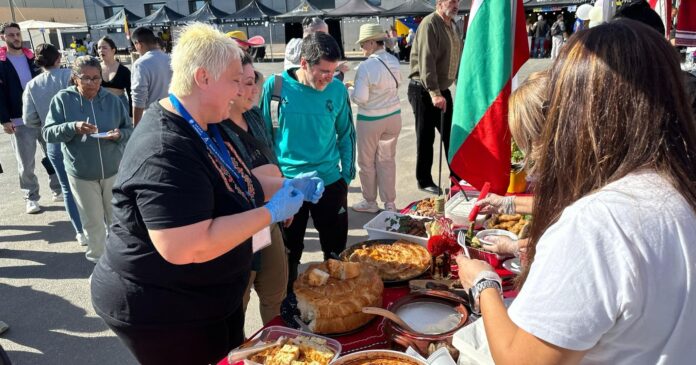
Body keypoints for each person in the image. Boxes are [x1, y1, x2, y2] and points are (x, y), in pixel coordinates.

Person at [456, 20, 696, 364]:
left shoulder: (598, 223)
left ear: (581, 112)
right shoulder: (677, 188)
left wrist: (483, 284)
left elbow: (519, 361)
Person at [89, 23, 318, 365]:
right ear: (203, 78)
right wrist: (268, 213)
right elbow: (186, 246)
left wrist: (287, 186)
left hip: (209, 297)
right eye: (233, 80)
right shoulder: (165, 148)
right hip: (164, 307)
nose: (241, 90)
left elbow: (238, 180)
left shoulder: (209, 123)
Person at [260, 32, 356, 294]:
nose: (329, 77)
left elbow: (346, 133)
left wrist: (345, 179)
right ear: (303, 63)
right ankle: (289, 303)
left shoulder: (336, 90)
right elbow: (264, 137)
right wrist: (274, 183)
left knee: (335, 252)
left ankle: (337, 299)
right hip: (288, 185)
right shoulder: (276, 87)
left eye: (333, 71)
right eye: (323, 71)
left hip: (329, 183)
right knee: (289, 254)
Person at [219, 54, 296, 325]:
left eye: (255, 81)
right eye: (248, 82)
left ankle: (277, 345)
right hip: (241, 228)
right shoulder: (213, 128)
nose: (255, 89)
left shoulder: (253, 115)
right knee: (237, 302)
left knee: (276, 291)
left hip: (269, 220)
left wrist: (285, 195)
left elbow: (270, 156)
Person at [43, 56, 133, 263]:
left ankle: (122, 264)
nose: (92, 83)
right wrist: (71, 127)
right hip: (82, 172)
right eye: (86, 78)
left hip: (113, 170)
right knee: (92, 222)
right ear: (75, 78)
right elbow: (48, 132)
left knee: (118, 221)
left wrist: (119, 135)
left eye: (96, 78)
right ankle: (98, 265)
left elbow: (129, 129)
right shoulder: (63, 99)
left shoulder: (112, 100)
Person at [22, 44, 86, 245]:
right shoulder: (70, 75)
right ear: (58, 58)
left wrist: (44, 123)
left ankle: (80, 232)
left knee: (66, 188)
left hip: (53, 140)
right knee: (90, 184)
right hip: (79, 137)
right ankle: (97, 225)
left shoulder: (32, 85)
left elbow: (28, 119)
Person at [1, 22, 61, 214]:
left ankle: (58, 188)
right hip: (19, 120)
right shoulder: (1, 62)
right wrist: (4, 119)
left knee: (52, 155)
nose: (16, 38)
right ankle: (31, 197)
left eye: (17, 34)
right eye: (11, 35)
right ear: (3, 38)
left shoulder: (33, 58)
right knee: (26, 163)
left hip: (45, 117)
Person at [408, 0, 463, 195]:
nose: (456, 4)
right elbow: (427, 61)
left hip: (441, 89)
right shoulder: (430, 23)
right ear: (440, 2)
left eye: (458, 1)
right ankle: (424, 180)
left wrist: (462, 86)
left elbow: (457, 58)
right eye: (452, 0)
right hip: (424, 89)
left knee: (451, 136)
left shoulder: (453, 25)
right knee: (426, 137)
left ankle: (457, 178)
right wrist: (434, 93)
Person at [348, 24, 402, 213]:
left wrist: (350, 90)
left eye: (363, 43)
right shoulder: (394, 60)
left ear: (372, 42)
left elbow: (360, 98)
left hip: (371, 119)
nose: (361, 47)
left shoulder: (365, 66)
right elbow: (398, 84)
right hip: (393, 116)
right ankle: (390, 203)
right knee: (387, 160)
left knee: (366, 162)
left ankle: (370, 202)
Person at [131, 26, 172, 125]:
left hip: (152, 118)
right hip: (173, 115)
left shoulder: (140, 64)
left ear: (138, 44)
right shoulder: (170, 59)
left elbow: (139, 99)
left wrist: (136, 127)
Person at [98, 36, 131, 116]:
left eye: (104, 47)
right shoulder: (95, 69)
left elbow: (131, 94)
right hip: (100, 106)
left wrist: (131, 114)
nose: (101, 50)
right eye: (99, 48)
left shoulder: (124, 70)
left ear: (113, 50)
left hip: (119, 106)